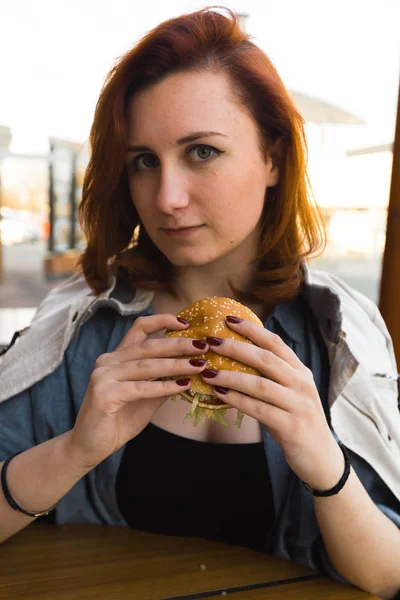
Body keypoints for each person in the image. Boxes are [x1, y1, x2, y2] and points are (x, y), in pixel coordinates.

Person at [1, 7, 400, 598]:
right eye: (143, 162)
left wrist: (326, 466)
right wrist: (76, 450)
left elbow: (388, 575)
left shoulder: (339, 336)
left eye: (202, 152)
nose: (167, 197)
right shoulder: (81, 327)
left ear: (272, 157)